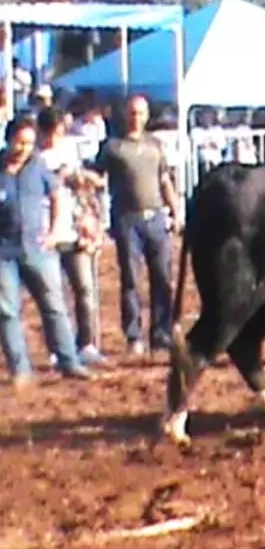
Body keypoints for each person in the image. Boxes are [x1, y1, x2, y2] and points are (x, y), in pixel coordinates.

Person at [0, 117, 95, 388]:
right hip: (4, 251)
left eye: (29, 143)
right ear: (8, 140)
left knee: (53, 305)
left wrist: (54, 231)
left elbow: (56, 196)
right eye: (19, 142)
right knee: (7, 311)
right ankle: (20, 368)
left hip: (37, 247)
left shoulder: (38, 166)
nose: (23, 148)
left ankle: (69, 361)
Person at [87, 95, 182, 357]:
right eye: (132, 112)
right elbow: (97, 175)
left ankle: (161, 334)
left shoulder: (155, 145)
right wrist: (82, 180)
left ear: (147, 115)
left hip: (156, 218)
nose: (136, 118)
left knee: (162, 279)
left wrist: (175, 210)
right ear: (124, 114)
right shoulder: (113, 147)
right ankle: (134, 336)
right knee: (131, 280)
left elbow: (165, 181)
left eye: (140, 113)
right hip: (127, 219)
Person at [36, 107, 107, 367]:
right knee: (53, 295)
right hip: (45, 231)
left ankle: (86, 343)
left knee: (85, 289)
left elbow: (84, 188)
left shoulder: (69, 151)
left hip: (75, 228)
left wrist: (90, 217)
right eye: (53, 132)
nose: (56, 137)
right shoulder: (35, 159)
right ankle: (59, 347)